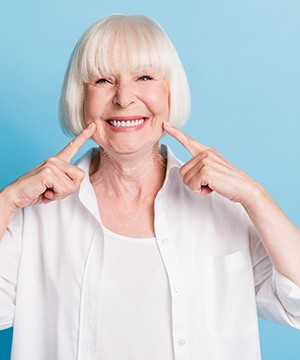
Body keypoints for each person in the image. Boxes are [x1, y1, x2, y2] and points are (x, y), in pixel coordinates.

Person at [0, 14, 299, 360]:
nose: (124, 98)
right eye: (103, 80)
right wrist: (7, 200)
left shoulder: (225, 208)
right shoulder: (37, 218)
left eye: (144, 77)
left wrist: (254, 195)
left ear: (170, 91)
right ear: (80, 98)